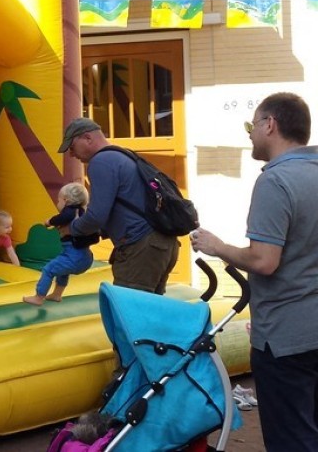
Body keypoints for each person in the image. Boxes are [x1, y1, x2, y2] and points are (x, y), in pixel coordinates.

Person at [191, 92, 318, 451]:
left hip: (285, 336)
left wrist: (217, 247)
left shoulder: (276, 181)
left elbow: (264, 261)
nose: (249, 134)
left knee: (292, 438)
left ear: (270, 125)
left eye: (251, 125)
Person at [58, 117, 179, 294]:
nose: (71, 154)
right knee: (150, 307)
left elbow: (96, 216)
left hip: (140, 247)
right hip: (163, 244)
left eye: (72, 147)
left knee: (129, 308)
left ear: (87, 138)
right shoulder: (123, 156)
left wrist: (72, 229)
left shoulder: (101, 162)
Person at [24, 182, 96, 306]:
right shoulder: (82, 212)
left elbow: (63, 217)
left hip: (73, 257)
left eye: (59, 200)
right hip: (85, 257)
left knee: (48, 270)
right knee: (63, 271)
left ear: (66, 200)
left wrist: (49, 222)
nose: (58, 203)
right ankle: (57, 294)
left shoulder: (70, 211)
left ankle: (39, 297)